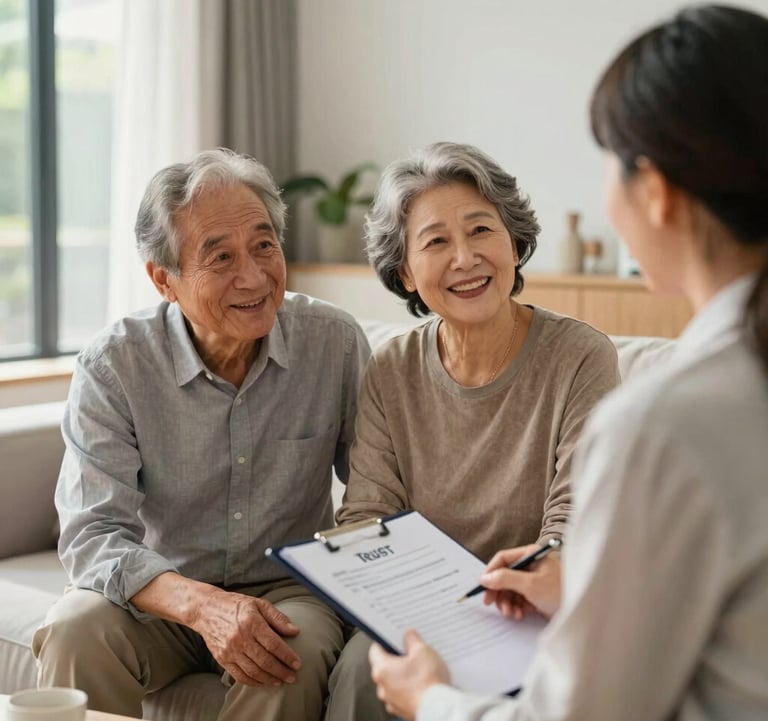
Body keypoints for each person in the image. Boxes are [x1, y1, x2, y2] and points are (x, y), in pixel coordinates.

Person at [368, 5, 768, 721]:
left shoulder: (660, 426)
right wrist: (582, 578)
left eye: (609, 164)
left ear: (658, 192)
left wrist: (430, 699)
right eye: (434, 242)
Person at [32, 148, 371, 721]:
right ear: (165, 280)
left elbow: (376, 492)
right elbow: (92, 535)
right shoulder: (115, 364)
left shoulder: (333, 343)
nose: (255, 275)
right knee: (75, 627)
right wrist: (202, 605)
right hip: (162, 592)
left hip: (289, 587)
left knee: (285, 650)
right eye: (221, 257)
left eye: (264, 245)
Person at [325, 141, 620, 720]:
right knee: (363, 668)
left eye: (481, 230)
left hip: (530, 606)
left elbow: (574, 518)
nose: (465, 258)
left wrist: (535, 574)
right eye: (436, 241)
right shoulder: (391, 368)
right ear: (406, 273)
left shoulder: (581, 356)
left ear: (513, 241)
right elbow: (366, 516)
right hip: (419, 612)